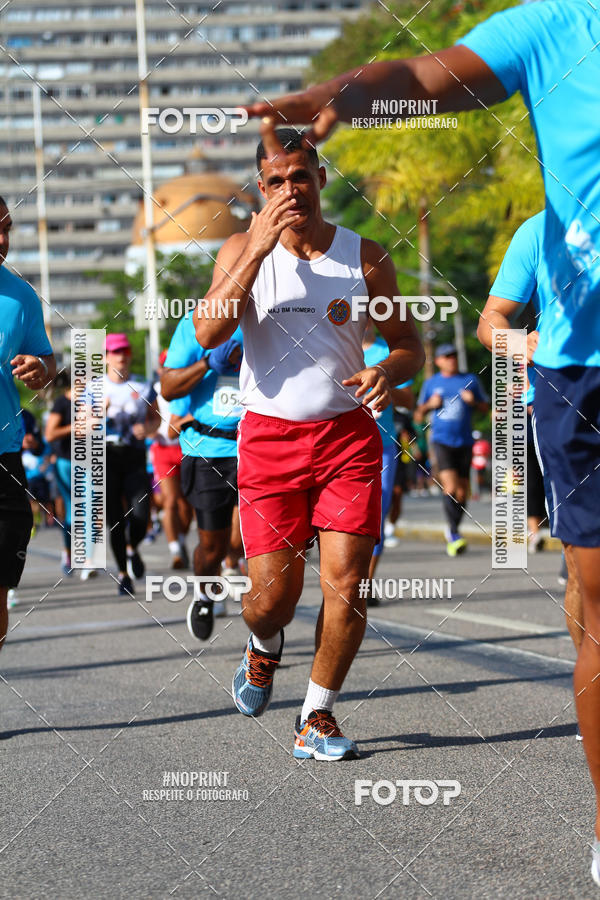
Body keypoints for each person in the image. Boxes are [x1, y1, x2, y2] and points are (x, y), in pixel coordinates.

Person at [193, 128, 424, 760]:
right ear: (260, 191)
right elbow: (209, 331)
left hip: (349, 438)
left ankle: (316, 715)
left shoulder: (365, 256)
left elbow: (409, 343)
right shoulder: (240, 248)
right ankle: (263, 648)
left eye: (300, 176)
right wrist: (258, 249)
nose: (291, 189)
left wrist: (388, 369)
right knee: (272, 600)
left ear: (320, 179)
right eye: (276, 181)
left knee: (348, 583)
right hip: (269, 440)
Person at [477, 209, 584, 731]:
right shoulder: (539, 230)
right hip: (568, 405)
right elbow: (491, 320)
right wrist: (524, 343)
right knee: (586, 558)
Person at [161, 317, 244, 641]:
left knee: (246, 541)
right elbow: (169, 388)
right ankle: (205, 595)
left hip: (259, 446)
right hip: (209, 450)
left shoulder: (274, 313)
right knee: (214, 546)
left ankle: (264, 634)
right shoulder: (197, 322)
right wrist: (209, 362)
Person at [0, 195, 56, 650]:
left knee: (0, 586)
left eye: (7, 229)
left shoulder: (20, 296)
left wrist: (41, 371)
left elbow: (46, 362)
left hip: (4, 454)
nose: (3, 240)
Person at [415, 344, 488, 557]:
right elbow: (418, 415)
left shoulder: (470, 380)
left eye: (454, 355)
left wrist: (473, 401)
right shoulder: (431, 383)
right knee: (451, 487)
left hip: (464, 441)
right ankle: (454, 533)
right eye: (447, 356)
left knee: (463, 491)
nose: (452, 359)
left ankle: (452, 528)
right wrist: (429, 405)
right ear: (437, 361)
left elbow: (485, 407)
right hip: (441, 441)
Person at [103, 333, 160, 596]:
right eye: (115, 352)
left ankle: (132, 547)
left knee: (140, 513)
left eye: (125, 351)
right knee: (114, 519)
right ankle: (123, 574)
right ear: (105, 357)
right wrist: (97, 416)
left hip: (135, 456)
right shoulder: (94, 388)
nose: (121, 356)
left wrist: (147, 428)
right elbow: (79, 426)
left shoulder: (144, 386)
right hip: (106, 457)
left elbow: (156, 419)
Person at [362, 321, 414, 602]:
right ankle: (344, 578)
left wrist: (383, 385)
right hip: (341, 446)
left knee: (378, 512)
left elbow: (410, 399)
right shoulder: (337, 348)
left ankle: (365, 584)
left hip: (381, 446)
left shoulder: (388, 352)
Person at [150, 349, 192, 569]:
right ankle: (175, 550)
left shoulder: (190, 387)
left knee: (189, 506)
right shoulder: (154, 391)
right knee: (171, 501)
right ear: (160, 369)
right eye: (167, 366)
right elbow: (146, 419)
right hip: (163, 450)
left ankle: (182, 540)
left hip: (189, 449)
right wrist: (147, 429)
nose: (172, 370)